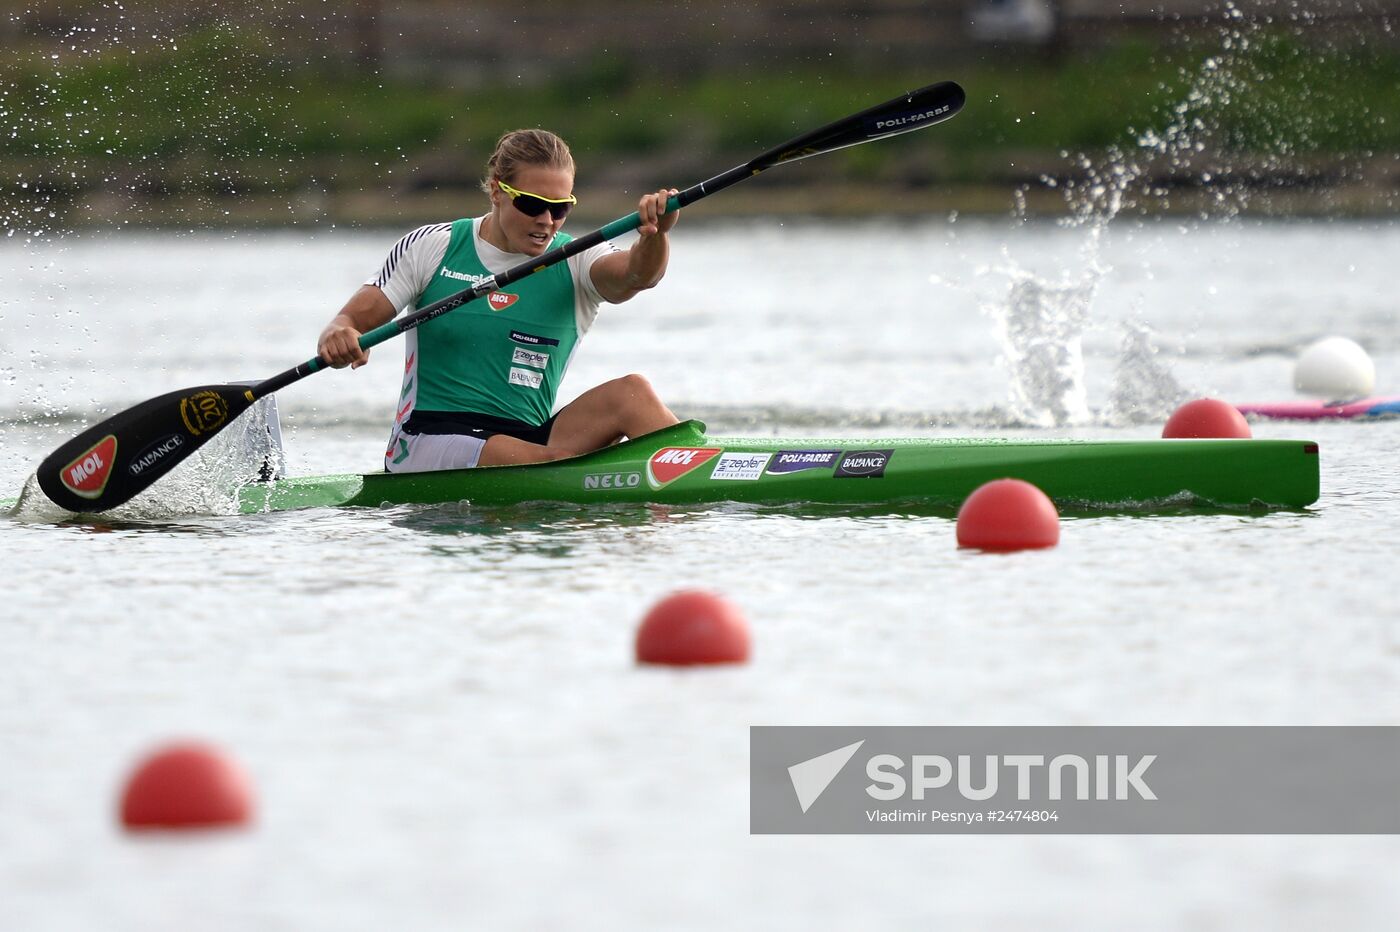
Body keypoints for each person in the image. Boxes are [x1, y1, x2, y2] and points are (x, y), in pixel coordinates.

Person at [316, 128, 681, 472]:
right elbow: (350, 322)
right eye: (532, 204)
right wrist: (339, 335)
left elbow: (637, 276)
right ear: (496, 191)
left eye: (560, 208)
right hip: (427, 438)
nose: (546, 221)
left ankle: (695, 467)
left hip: (527, 438)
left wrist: (655, 235)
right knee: (549, 459)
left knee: (632, 393)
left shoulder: (577, 257)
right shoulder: (433, 246)